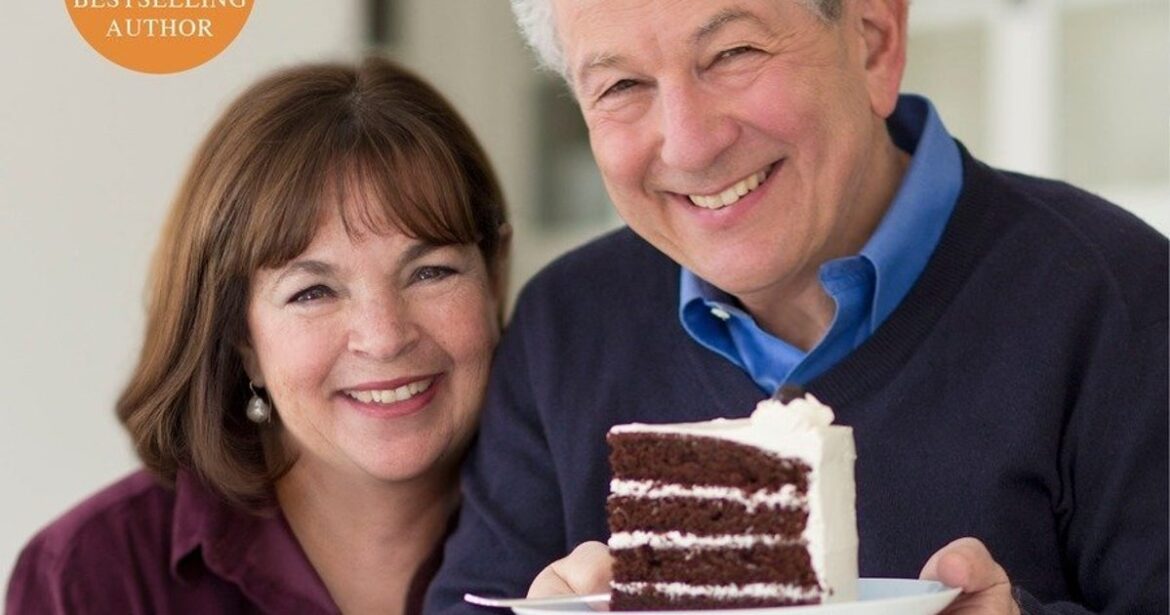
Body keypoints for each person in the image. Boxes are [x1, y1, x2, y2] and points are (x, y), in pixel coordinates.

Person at [425, 0, 1168, 613]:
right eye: (621, 86)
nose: (689, 145)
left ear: (874, 42)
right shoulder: (564, 326)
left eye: (732, 53)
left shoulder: (1121, 298)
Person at [6, 56, 510, 615]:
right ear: (240, 338)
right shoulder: (88, 578)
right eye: (313, 292)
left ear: (494, 278)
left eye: (430, 272)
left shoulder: (578, 534)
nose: (384, 337)